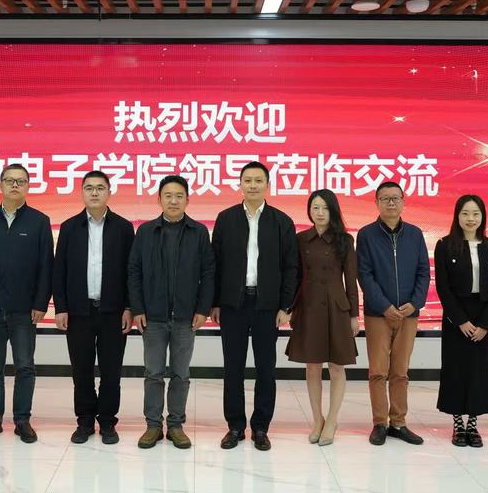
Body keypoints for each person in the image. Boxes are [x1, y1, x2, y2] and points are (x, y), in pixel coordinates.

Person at [211, 161, 299, 452]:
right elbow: (215, 264)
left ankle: (261, 427)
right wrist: (214, 302)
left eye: (258, 180)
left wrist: (286, 306)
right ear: (239, 184)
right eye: (247, 180)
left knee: (265, 369)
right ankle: (235, 426)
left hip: (267, 306)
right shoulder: (226, 219)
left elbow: (291, 268)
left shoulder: (281, 221)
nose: (252, 185)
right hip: (232, 305)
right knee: (232, 368)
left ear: (267, 185)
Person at [128, 175, 215, 450]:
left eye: (179, 196)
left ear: (187, 200)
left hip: (185, 318)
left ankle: (176, 425)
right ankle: (153, 425)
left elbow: (208, 273)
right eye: (168, 195)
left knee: (180, 373)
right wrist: (138, 308)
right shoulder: (145, 232)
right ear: (159, 200)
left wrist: (202, 309)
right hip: (152, 317)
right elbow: (134, 272)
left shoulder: (198, 232)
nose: (173, 201)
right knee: (153, 373)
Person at [0, 164, 54, 444]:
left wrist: (41, 303)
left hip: (24, 310)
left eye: (21, 181)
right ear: (0, 185)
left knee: (25, 366)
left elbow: (46, 267)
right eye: (10, 180)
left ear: (28, 186)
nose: (15, 185)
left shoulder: (39, 221)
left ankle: (22, 420)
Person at [52, 171, 135, 445]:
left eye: (100, 188)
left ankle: (108, 421)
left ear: (109, 192)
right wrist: (61, 307)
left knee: (111, 371)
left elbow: (132, 272)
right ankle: (85, 421)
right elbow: (59, 271)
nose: (95, 192)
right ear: (82, 193)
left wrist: (129, 307)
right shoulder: (69, 227)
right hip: (79, 311)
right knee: (82, 371)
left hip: (114, 312)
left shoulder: (123, 228)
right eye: (89, 188)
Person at [356, 181, 431, 446]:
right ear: (376, 202)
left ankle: (399, 422)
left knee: (400, 372)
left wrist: (415, 303)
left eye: (395, 198)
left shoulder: (415, 234)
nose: (391, 203)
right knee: (378, 371)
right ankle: (380, 423)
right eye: (385, 198)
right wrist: (385, 306)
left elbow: (423, 271)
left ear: (403, 202)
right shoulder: (366, 234)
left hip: (408, 314)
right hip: (378, 314)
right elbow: (364, 274)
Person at [285, 189, 359, 447]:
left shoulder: (344, 240)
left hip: (337, 309)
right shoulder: (301, 239)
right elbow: (295, 277)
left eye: (324, 208)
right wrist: (289, 308)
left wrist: (354, 315)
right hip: (308, 308)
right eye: (315, 207)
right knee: (312, 366)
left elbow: (351, 280)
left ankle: (332, 419)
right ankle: (317, 419)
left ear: (333, 210)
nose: (319, 213)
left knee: (337, 366)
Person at [434, 194, 488, 448]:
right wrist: (460, 320)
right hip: (456, 316)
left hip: (482, 315)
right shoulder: (445, 245)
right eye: (465, 213)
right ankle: (457, 423)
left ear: (482, 216)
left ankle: (472, 424)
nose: (470, 218)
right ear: (457, 216)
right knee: (455, 369)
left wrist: (486, 324)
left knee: (478, 371)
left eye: (475, 213)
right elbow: (443, 287)